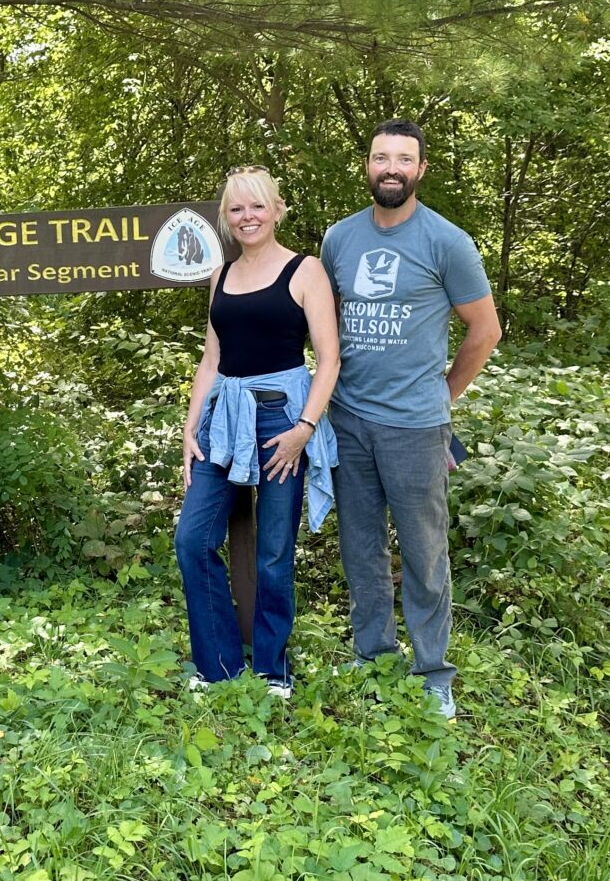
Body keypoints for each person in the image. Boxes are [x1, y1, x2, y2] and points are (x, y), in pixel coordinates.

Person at [319, 119, 502, 718]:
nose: (390, 167)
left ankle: (433, 672)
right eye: (380, 157)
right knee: (361, 546)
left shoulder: (447, 241)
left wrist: (444, 396)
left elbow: (485, 329)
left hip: (417, 427)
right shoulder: (339, 240)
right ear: (367, 167)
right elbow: (331, 324)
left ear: (421, 170)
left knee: (424, 553)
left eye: (403, 158)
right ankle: (372, 654)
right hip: (348, 418)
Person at [175, 166, 340, 698]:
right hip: (222, 420)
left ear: (277, 209)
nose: (247, 217)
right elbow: (210, 359)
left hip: (280, 423)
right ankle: (217, 665)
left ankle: (272, 669)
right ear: (226, 218)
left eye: (257, 206)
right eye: (236, 209)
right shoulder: (220, 276)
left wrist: (304, 429)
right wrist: (189, 426)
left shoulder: (305, 270)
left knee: (273, 552)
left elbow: (329, 359)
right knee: (192, 540)